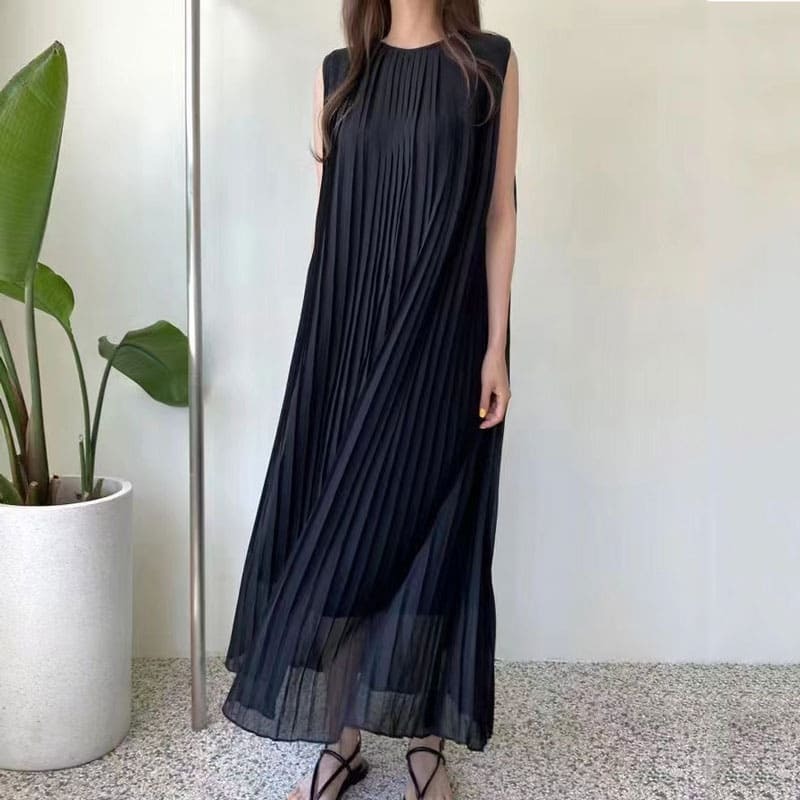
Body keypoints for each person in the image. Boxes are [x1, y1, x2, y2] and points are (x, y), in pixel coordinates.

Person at [222, 1, 518, 798]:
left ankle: (426, 741)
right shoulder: (340, 76)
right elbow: (330, 227)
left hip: (447, 333)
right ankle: (341, 738)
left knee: (432, 523)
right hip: (347, 336)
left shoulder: (488, 63)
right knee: (340, 521)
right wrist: (319, 351)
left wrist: (494, 346)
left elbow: (499, 212)